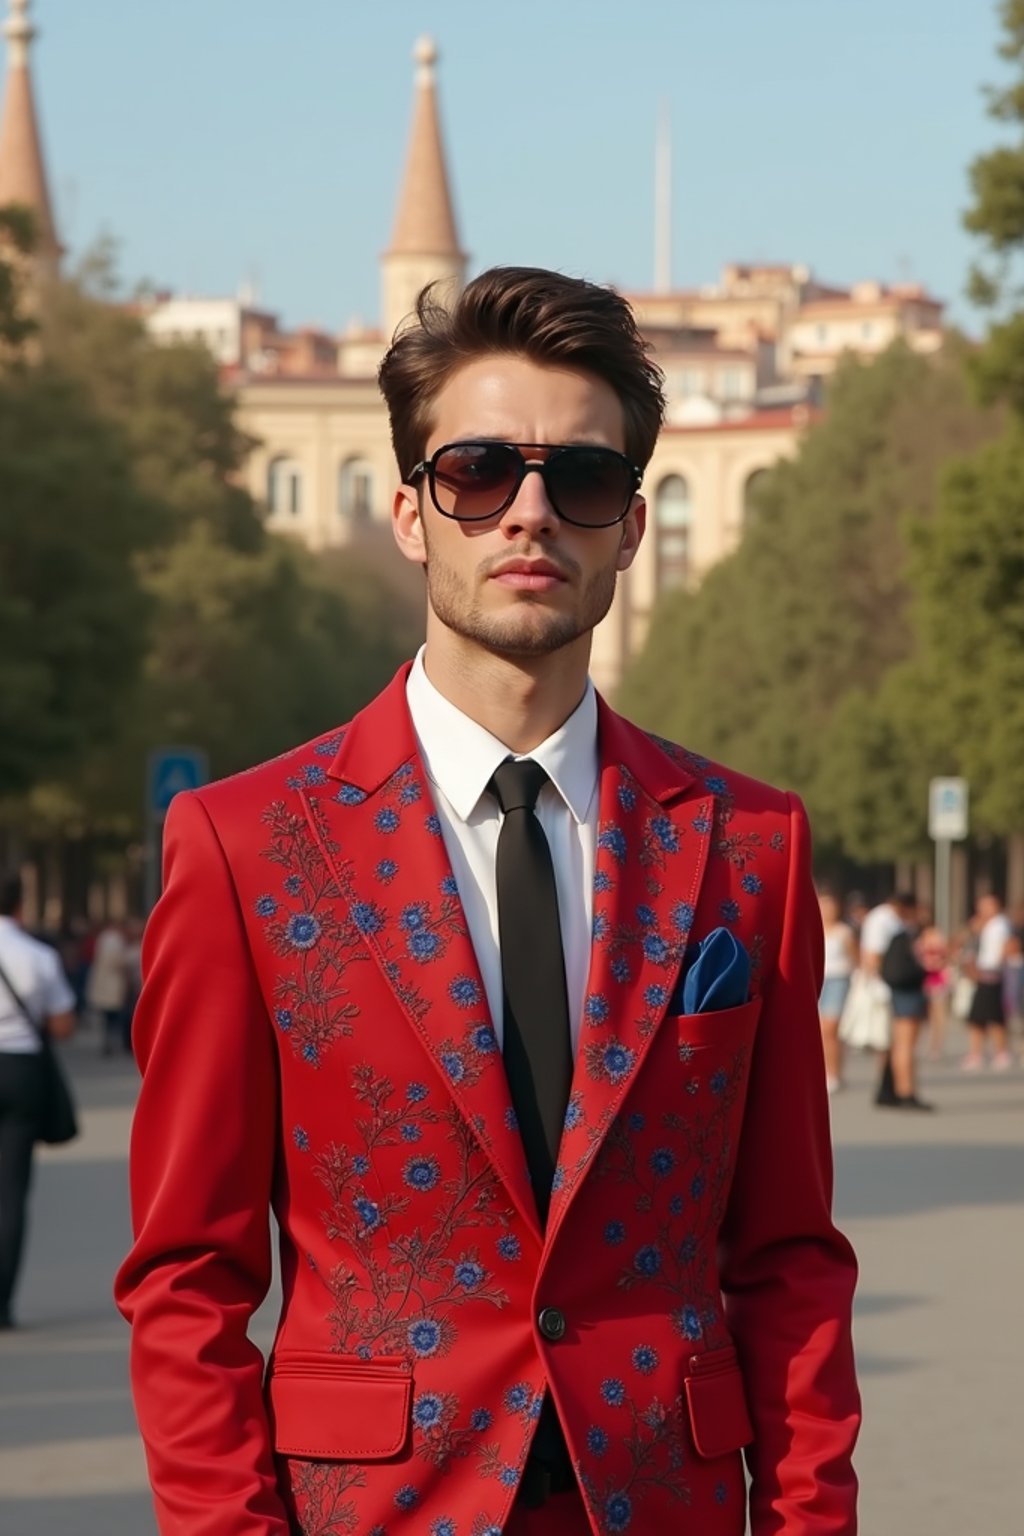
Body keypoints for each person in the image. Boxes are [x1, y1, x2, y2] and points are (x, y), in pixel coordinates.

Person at [115, 267, 860, 1535]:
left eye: (578, 479)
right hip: (371, 1508)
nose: (529, 516)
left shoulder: (750, 846)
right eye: (476, 474)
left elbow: (787, 1260)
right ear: (411, 513)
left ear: (627, 525)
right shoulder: (246, 845)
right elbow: (188, 1277)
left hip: (662, 1502)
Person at [0, 872, 76, 1329]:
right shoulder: (37, 955)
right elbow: (63, 1024)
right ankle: (2, 1301)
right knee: (10, 1191)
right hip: (23, 1071)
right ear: (19, 904)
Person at [860, 891, 932, 1110]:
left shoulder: (890, 922)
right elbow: (872, 957)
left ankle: (889, 1089)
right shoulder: (886, 922)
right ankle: (905, 1090)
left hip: (894, 986)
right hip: (899, 988)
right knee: (905, 1043)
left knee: (894, 1043)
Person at [963, 892, 1014, 1071]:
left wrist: (999, 966)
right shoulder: (984, 925)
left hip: (991, 974)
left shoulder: (1000, 924)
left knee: (991, 1017)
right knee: (980, 1017)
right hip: (983, 973)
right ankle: (979, 1052)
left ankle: (999, 1052)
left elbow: (1007, 947)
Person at [817, 890, 856, 1093]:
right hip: (819, 981)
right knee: (822, 1033)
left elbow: (855, 958)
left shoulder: (844, 932)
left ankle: (833, 1074)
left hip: (838, 980)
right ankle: (827, 1071)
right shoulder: (813, 929)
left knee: (830, 1030)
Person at [85, 919, 131, 1055]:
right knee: (114, 1016)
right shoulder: (114, 940)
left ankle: (109, 1043)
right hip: (112, 983)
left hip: (104, 982)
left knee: (108, 1017)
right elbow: (117, 961)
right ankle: (113, 1043)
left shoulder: (104, 938)